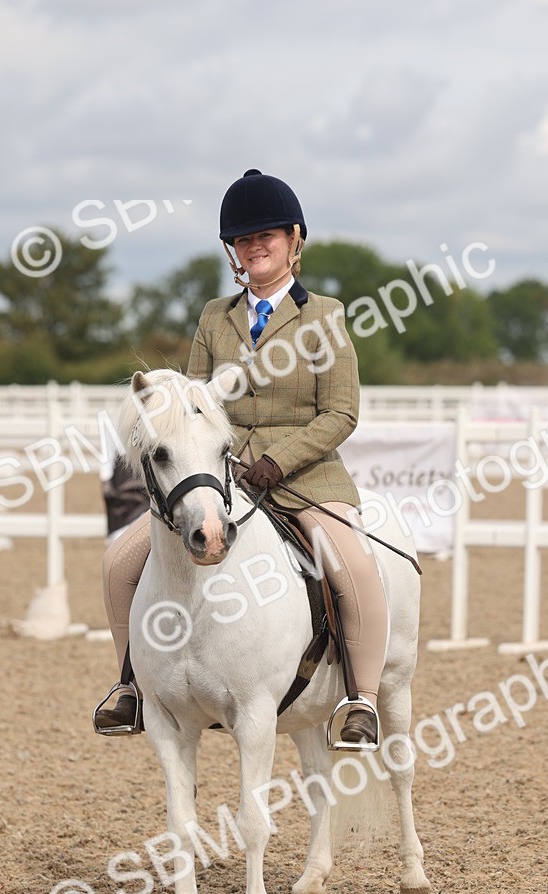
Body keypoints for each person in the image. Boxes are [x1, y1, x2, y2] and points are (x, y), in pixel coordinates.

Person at [94, 168, 389, 748]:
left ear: (293, 240)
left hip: (304, 477)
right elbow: (195, 404)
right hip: (223, 478)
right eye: (244, 239)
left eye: (267, 236)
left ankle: (362, 700)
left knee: (353, 569)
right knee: (119, 562)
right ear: (232, 250)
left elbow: (341, 414)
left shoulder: (324, 316)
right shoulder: (214, 316)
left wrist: (278, 461)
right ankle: (132, 684)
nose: (255, 247)